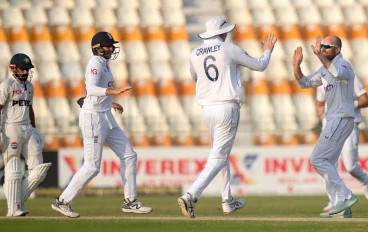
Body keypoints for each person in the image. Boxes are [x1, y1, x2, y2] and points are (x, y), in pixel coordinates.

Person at [177, 17, 277, 218]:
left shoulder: (194, 53)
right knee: (219, 156)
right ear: (221, 33)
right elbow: (260, 66)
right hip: (226, 108)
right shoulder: (229, 48)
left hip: (207, 109)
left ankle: (227, 201)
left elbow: (195, 77)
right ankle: (191, 195)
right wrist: (267, 50)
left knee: (220, 154)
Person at [51, 31, 152, 218]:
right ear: (97, 48)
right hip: (93, 119)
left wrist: (111, 103)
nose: (111, 48)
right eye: (108, 46)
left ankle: (130, 201)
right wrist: (115, 91)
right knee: (92, 166)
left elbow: (93, 95)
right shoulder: (95, 63)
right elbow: (91, 89)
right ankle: (62, 201)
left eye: (112, 45)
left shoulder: (105, 64)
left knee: (129, 155)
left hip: (105, 115)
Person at [292, 35, 358, 218]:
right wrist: (296, 65)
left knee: (317, 160)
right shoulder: (324, 69)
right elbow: (304, 83)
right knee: (327, 162)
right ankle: (340, 205)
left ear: (337, 50)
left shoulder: (344, 65)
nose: (322, 49)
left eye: (327, 47)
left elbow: (338, 73)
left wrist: (318, 56)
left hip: (341, 118)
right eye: (322, 47)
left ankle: (346, 196)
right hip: (335, 120)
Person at [0, 53, 52, 216]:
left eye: (28, 70)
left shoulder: (29, 86)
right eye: (23, 69)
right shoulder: (6, 85)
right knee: (13, 168)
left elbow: (29, 108)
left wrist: (34, 128)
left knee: (38, 171)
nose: (26, 72)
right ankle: (13, 209)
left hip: (28, 128)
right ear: (13, 68)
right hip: (11, 128)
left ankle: (18, 203)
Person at [316, 75, 368, 213]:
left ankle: (366, 182)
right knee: (326, 163)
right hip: (329, 126)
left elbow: (364, 99)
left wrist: (349, 104)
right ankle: (336, 201)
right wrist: (320, 110)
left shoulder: (350, 76)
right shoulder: (322, 79)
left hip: (349, 124)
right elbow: (320, 103)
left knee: (350, 166)